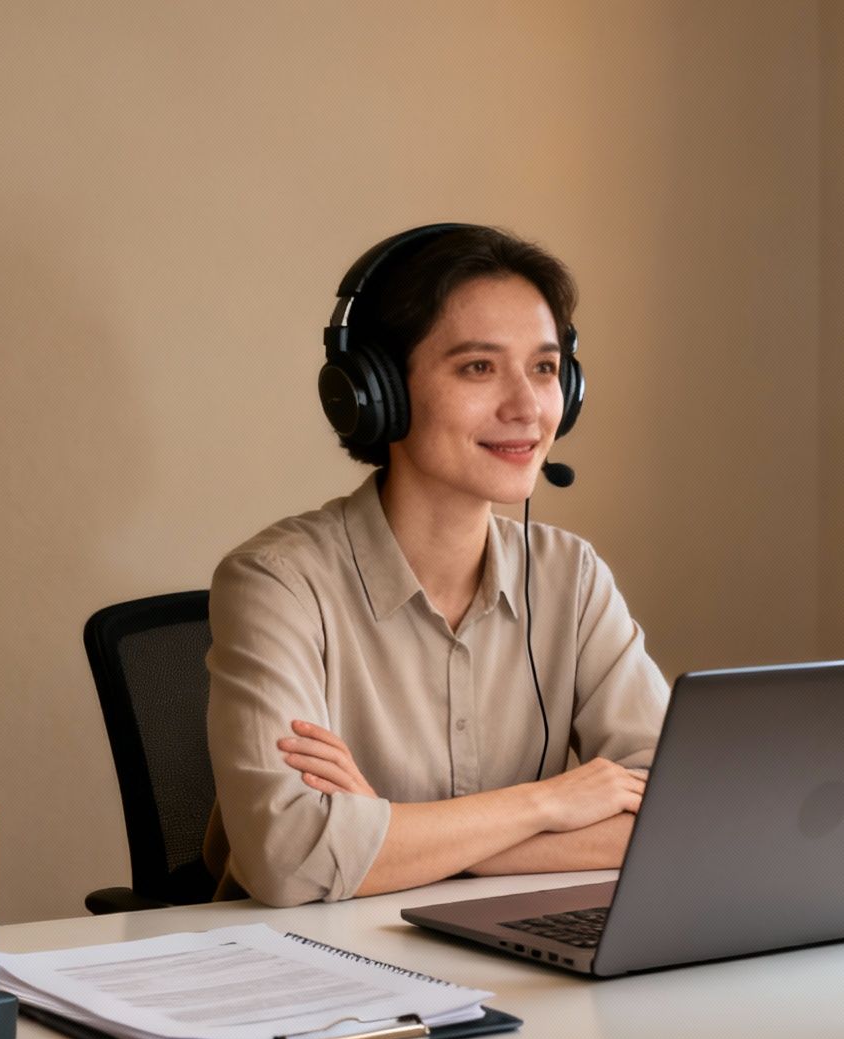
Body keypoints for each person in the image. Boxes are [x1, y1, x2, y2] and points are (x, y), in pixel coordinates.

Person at [202, 224, 668, 907]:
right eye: (478, 367)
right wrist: (547, 804)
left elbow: (674, 818)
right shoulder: (276, 582)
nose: (525, 408)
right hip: (311, 979)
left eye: (543, 368)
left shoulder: (571, 576)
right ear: (376, 391)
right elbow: (293, 860)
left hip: (499, 956)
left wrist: (387, 829)